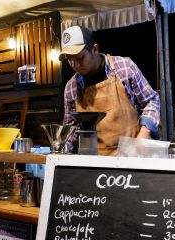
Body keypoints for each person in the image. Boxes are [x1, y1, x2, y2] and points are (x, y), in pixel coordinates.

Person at [60, 26, 160, 156]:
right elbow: (70, 130)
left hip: (133, 156)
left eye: (80, 58)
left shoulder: (124, 68)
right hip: (95, 163)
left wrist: (144, 134)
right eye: (70, 60)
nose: (76, 65)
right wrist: (60, 151)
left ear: (95, 49)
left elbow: (151, 100)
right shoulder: (71, 88)